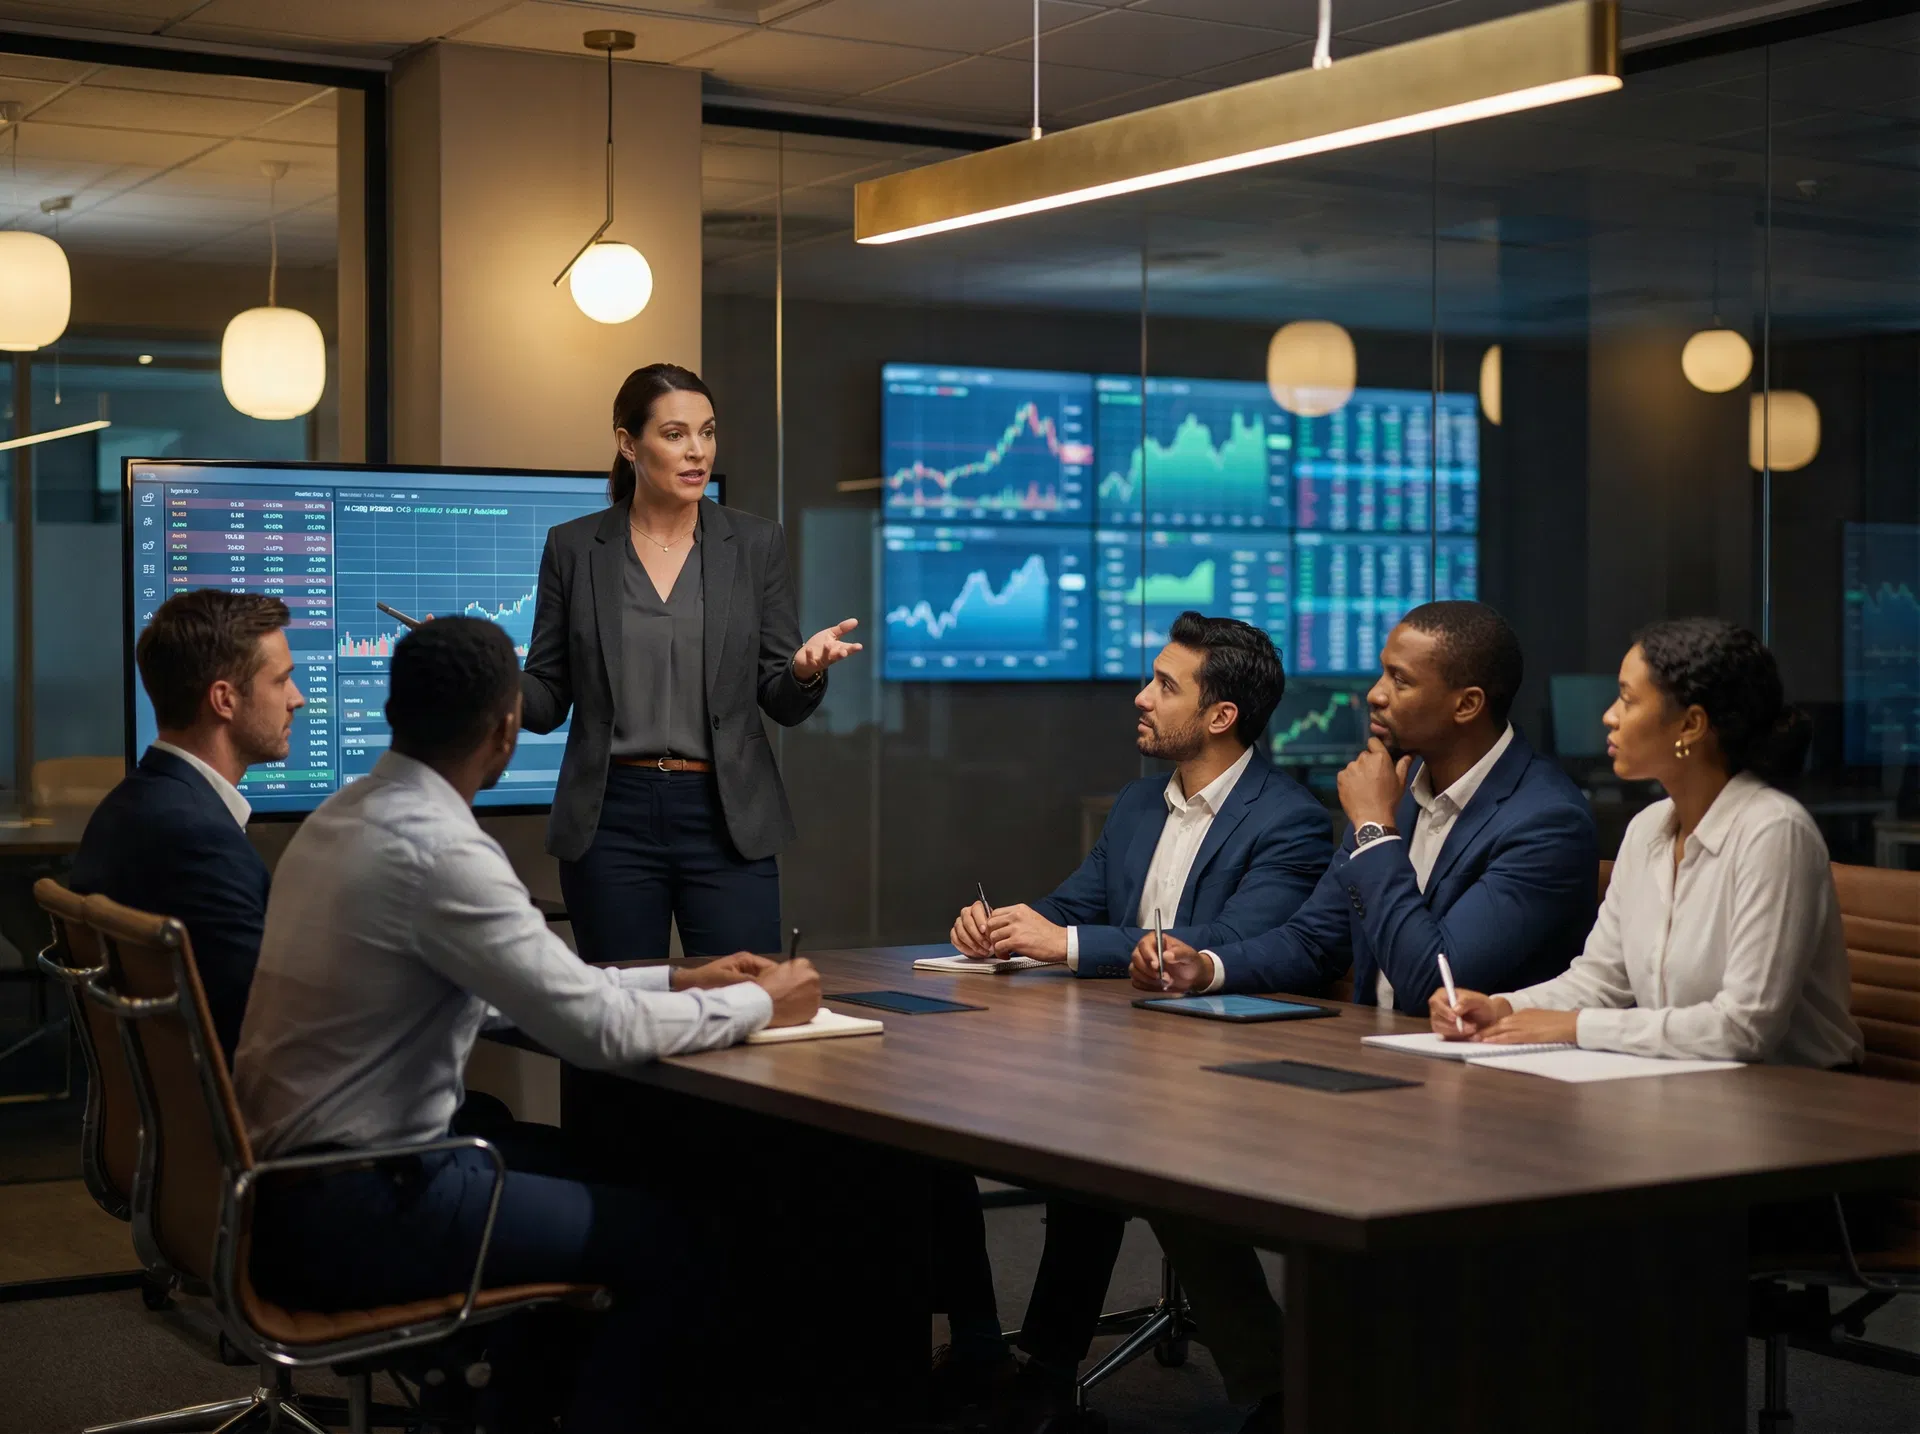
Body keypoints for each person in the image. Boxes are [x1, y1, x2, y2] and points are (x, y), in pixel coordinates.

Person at [234, 617, 820, 1430]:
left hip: (288, 1190)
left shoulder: (342, 818)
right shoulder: (443, 850)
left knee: (623, 1172)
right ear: (507, 729)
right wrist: (763, 1003)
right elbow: (597, 1035)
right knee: (688, 1241)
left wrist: (678, 976)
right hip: (364, 1206)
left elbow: (516, 991)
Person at [1120, 601, 1600, 1434]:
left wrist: (1374, 830)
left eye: (1399, 679)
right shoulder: (1405, 789)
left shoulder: (1542, 819)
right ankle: (1280, 1388)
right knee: (1173, 1152)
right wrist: (1211, 966)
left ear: (1467, 704)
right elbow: (1314, 938)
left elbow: (1435, 983)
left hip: (1493, 1104)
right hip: (1382, 1074)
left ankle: (1352, 1391)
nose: (1374, 694)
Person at [934, 613, 1334, 1416]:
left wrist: (1066, 942)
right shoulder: (1138, 805)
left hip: (1222, 1071)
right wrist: (1006, 929)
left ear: (1222, 716)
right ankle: (996, 1350)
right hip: (1117, 1057)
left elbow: (1234, 938)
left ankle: (1262, 1389)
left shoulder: (1287, 819)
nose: (1140, 696)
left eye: (1165, 684)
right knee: (932, 1118)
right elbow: (1073, 908)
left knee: (1119, 1144)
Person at [522, 363, 861, 964]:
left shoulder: (756, 545)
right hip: (609, 817)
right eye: (676, 434)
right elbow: (547, 697)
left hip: (726, 816)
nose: (697, 452)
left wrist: (805, 670)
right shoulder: (574, 548)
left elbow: (778, 697)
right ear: (629, 444)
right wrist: (489, 678)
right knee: (614, 1020)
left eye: (707, 433)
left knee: (744, 1012)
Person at [1434, 617, 1863, 1068]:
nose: (1610, 715)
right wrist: (1504, 1008)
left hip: (1803, 1102)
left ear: (1691, 724)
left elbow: (1744, 1029)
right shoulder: (1647, 828)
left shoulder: (1774, 830)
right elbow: (1601, 981)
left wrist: (1574, 1026)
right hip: (1694, 1087)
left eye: (1627, 698)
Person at [69, 589, 304, 1061]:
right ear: (224, 700)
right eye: (281, 682)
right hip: (260, 1123)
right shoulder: (198, 843)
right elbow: (275, 1029)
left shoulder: (133, 806)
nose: (297, 700)